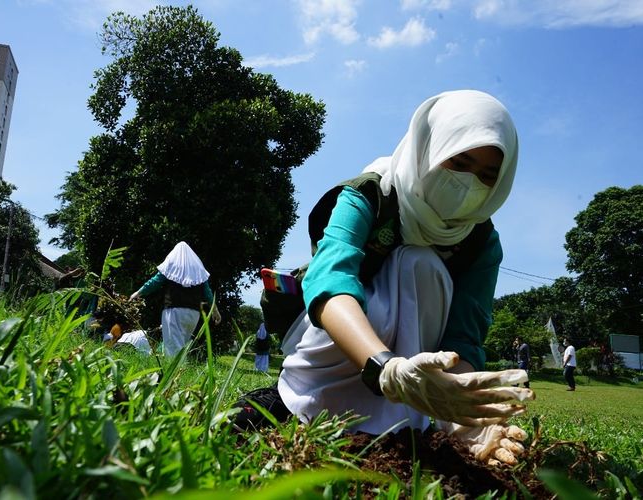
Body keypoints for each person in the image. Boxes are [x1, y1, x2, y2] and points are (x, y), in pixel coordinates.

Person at [236, 90, 534, 465]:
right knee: (414, 262)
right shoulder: (370, 194)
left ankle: (410, 419)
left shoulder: (481, 243)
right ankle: (304, 400)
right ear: (430, 147)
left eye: (487, 177)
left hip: (419, 358)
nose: (468, 183)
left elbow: (464, 335)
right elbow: (331, 278)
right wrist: (385, 367)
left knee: (422, 265)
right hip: (333, 333)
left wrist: (458, 407)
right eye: (459, 161)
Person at [129, 241, 221, 357]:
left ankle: (173, 373)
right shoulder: (198, 269)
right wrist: (215, 311)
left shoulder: (173, 263)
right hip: (193, 314)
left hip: (174, 311)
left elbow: (156, 281)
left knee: (173, 348)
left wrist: (138, 293)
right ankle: (179, 371)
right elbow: (207, 292)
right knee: (182, 345)